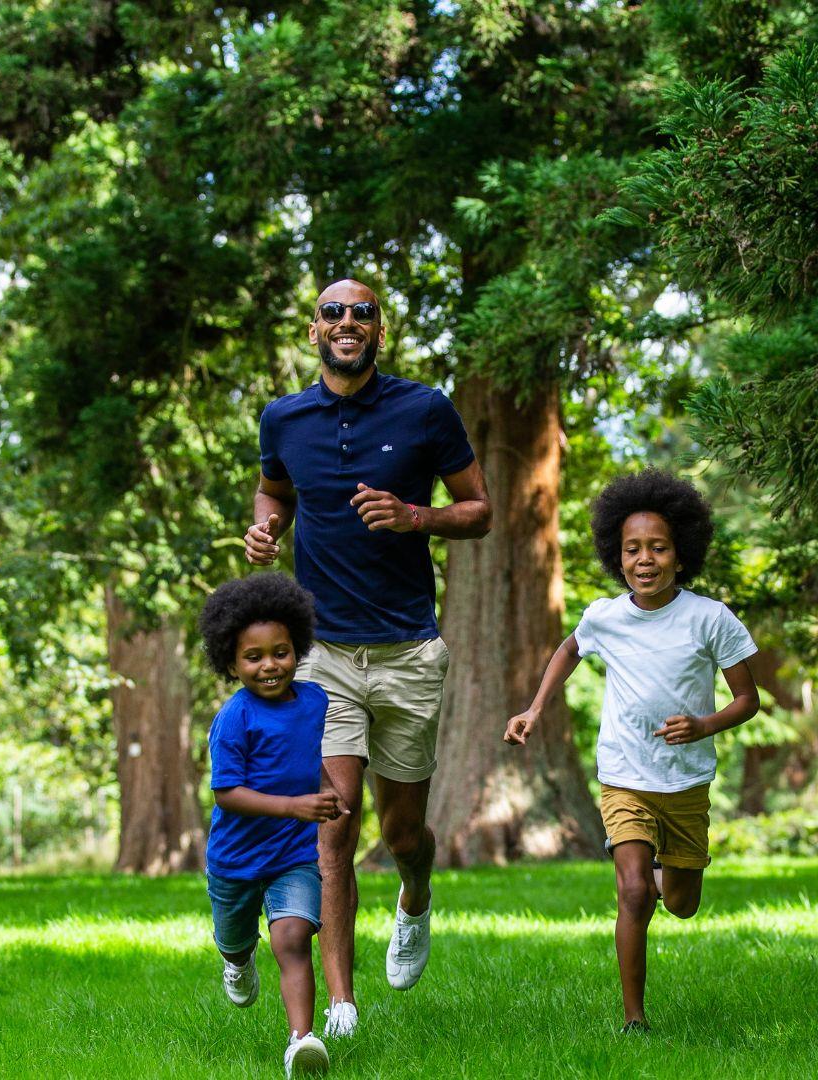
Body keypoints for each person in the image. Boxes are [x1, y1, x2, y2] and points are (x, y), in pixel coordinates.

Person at [243, 278, 492, 1039]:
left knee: (402, 832)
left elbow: (479, 508)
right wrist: (265, 530)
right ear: (313, 329)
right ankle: (343, 1004)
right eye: (332, 313)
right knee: (335, 826)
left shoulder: (424, 409)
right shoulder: (283, 417)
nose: (346, 323)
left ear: (379, 330)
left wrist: (416, 515)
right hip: (322, 655)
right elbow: (272, 491)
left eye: (361, 313)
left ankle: (415, 894)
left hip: (408, 650)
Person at [504, 470, 760, 1034]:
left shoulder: (710, 618)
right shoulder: (605, 616)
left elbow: (748, 700)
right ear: (616, 558)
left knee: (681, 903)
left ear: (681, 553)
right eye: (632, 549)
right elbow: (569, 649)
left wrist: (702, 724)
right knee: (634, 891)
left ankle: (673, 870)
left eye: (658, 547)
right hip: (624, 775)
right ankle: (634, 1020)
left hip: (686, 781)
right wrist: (535, 708)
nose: (645, 560)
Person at [199, 574, 347, 1076]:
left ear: (298, 648)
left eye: (280, 652)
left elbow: (306, 759)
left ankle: (301, 1041)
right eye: (254, 656)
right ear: (231, 661)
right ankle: (237, 960)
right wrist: (295, 806)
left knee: (291, 938)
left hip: (292, 857)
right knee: (236, 939)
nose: (269, 666)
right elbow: (227, 794)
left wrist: (325, 790)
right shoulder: (234, 719)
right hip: (235, 862)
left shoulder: (313, 702)